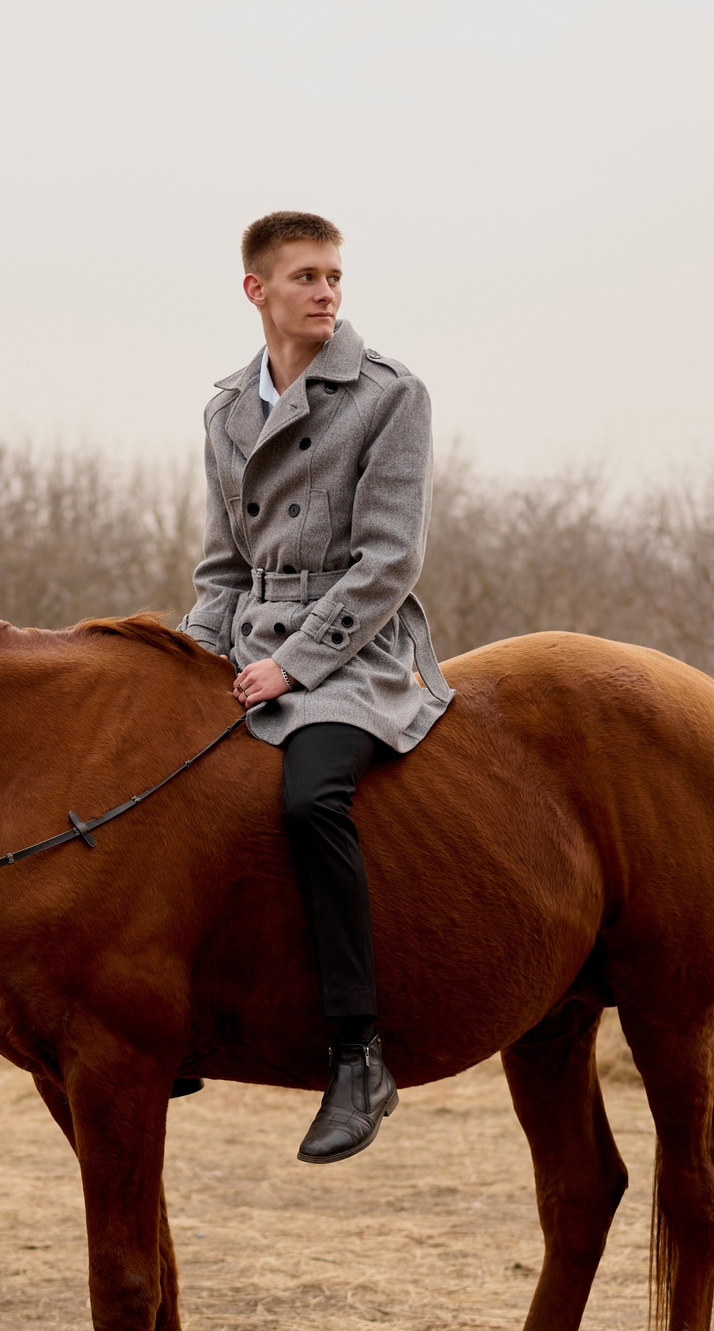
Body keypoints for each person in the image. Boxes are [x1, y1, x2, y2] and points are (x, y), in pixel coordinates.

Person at [179, 210, 454, 1164]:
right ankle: (176, 1012)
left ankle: (357, 1054)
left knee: (309, 799)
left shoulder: (390, 396)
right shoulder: (224, 410)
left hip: (356, 651)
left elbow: (389, 562)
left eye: (335, 275)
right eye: (305, 276)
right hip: (248, 640)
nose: (327, 291)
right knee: (165, 782)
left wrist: (294, 663)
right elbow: (221, 570)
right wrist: (183, 663)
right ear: (257, 290)